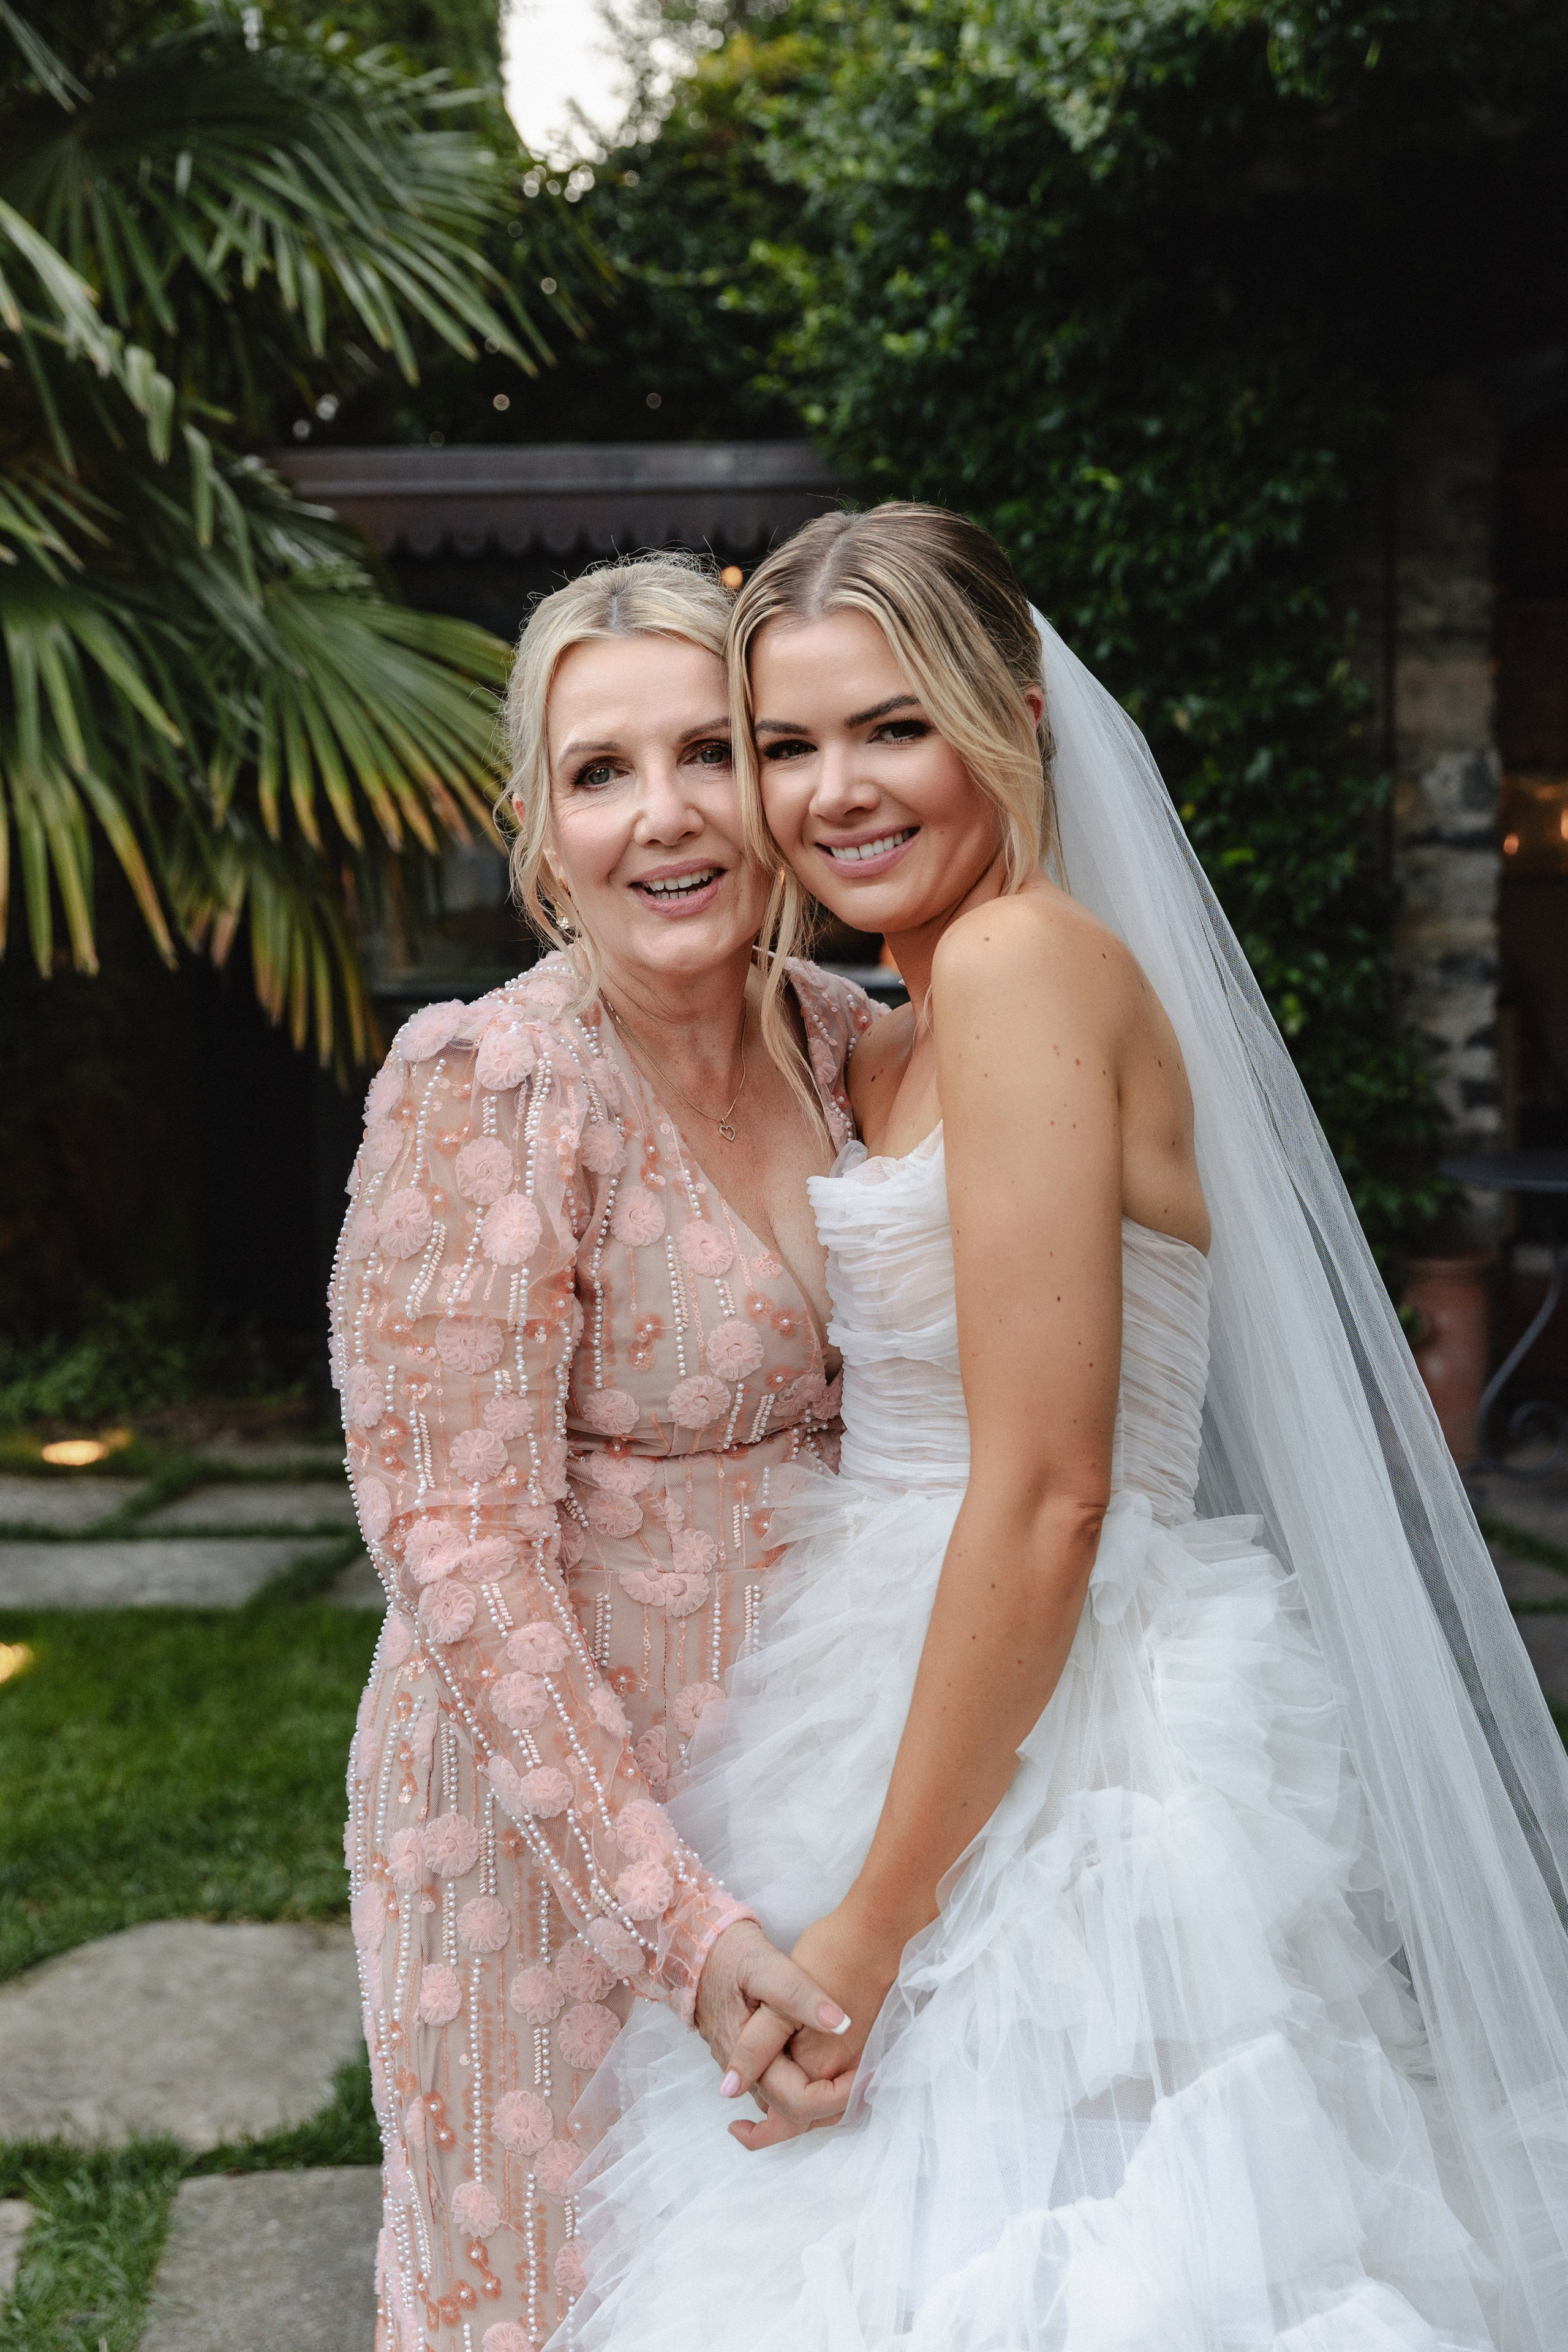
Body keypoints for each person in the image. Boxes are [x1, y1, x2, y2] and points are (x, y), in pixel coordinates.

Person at [566, 507, 1568, 2350]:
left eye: (895, 726)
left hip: (1053, 1712)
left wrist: (873, 1924)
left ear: (1014, 722)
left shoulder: (1025, 965)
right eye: (787, 743)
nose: (834, 792)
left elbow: (1051, 1491)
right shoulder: (892, 1023)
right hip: (892, 1662)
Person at [330, 553, 878, 2351]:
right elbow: (459, 1552)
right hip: (549, 1842)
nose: (666, 816)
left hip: (817, 1786)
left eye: (708, 751)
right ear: (541, 835)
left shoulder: (857, 1046)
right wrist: (680, 1927)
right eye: (600, 772)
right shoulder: (491, 1089)